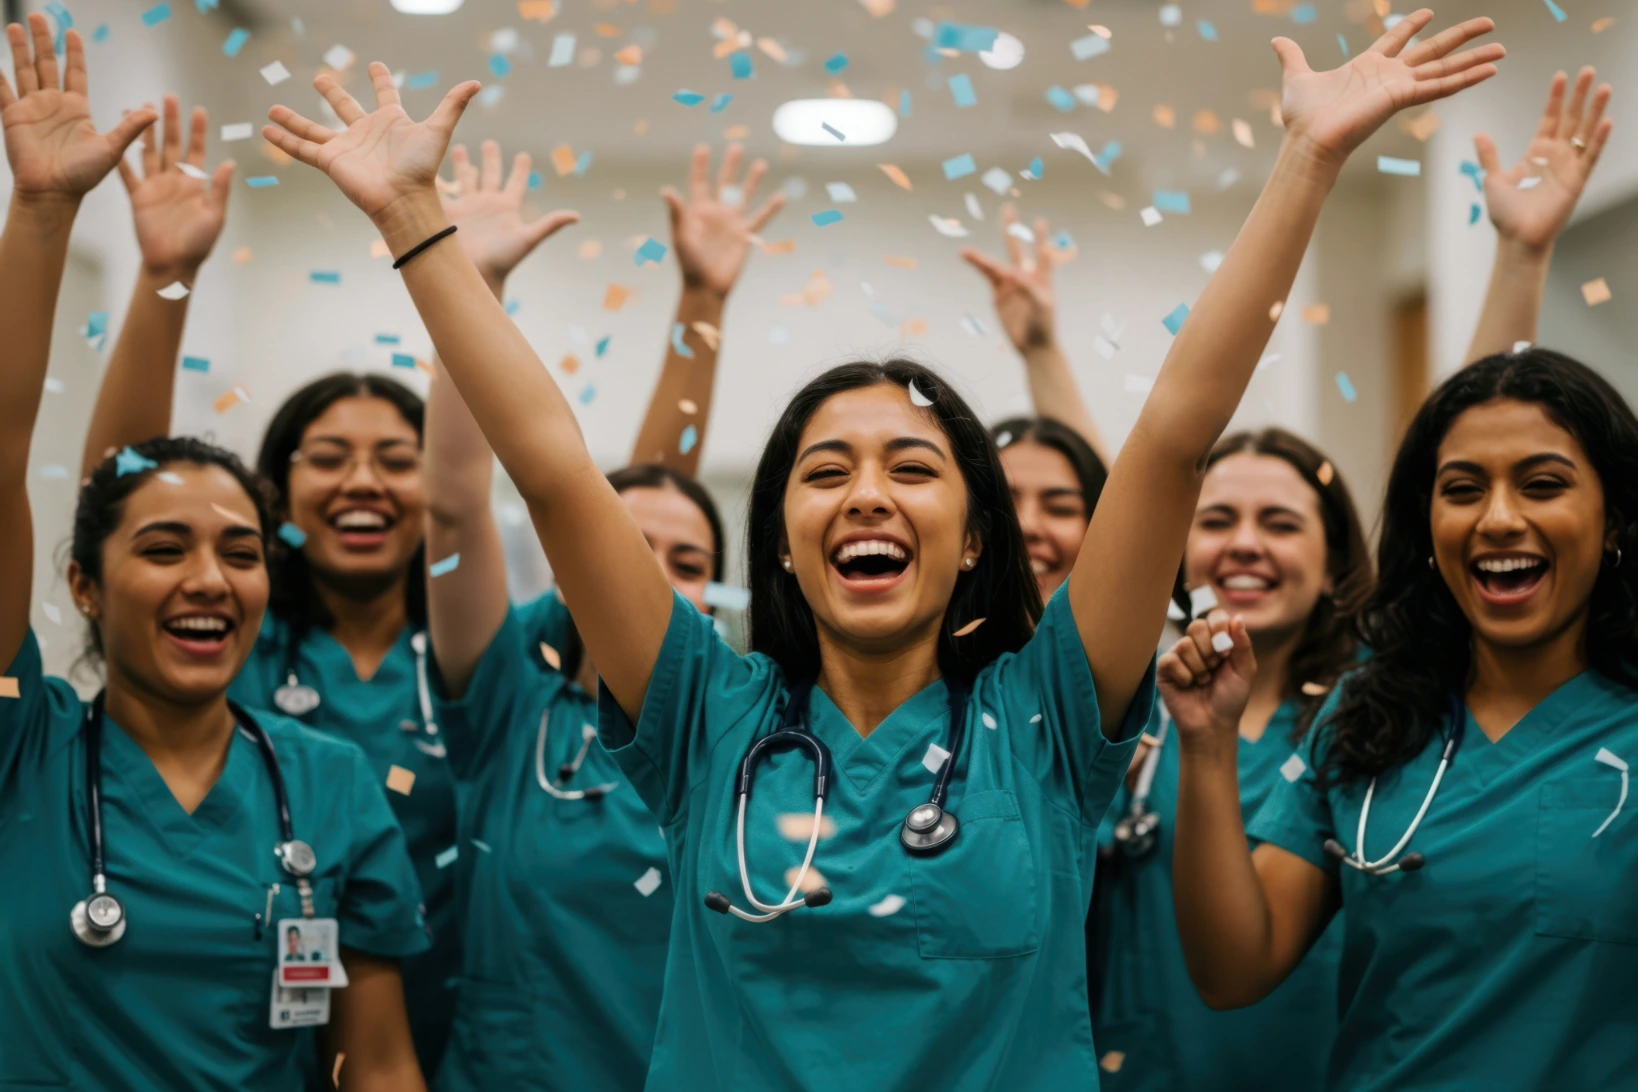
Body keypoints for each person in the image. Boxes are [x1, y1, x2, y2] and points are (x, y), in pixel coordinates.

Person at [265, 10, 1498, 1087]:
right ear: (785, 546)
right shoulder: (703, 708)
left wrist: (1311, 158)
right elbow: (547, 465)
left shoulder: (1051, 715)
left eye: (913, 470)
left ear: (973, 543)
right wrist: (417, 224)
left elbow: (1176, 435)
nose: (866, 495)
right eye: (824, 471)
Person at [0, 18, 428, 1090]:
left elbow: (375, 1065)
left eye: (241, 550)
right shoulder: (23, 746)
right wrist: (46, 215)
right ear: (82, 586)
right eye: (163, 548)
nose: (208, 577)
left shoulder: (327, 785)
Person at [1169, 343, 1638, 1090]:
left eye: (1544, 485)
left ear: (1615, 521)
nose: (1499, 519)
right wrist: (1204, 741)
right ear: (1427, 527)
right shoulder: (1366, 719)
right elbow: (1233, 969)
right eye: (1461, 489)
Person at [423, 139, 778, 1090]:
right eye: (634, 550)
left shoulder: (748, 730)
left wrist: (706, 302)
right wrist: (469, 280)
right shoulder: (508, 700)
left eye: (691, 563)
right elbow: (455, 500)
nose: (658, 577)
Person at [1092, 428, 1370, 1089]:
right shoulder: (1131, 711)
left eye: (1279, 523)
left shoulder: (1381, 717)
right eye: (1216, 521)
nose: (1245, 542)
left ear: (1334, 563)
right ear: (1181, 556)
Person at [961, 207, 1111, 602]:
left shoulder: (1135, 655)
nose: (1026, 525)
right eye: (1003, 504)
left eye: (1061, 508)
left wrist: (1042, 351)